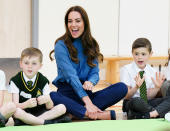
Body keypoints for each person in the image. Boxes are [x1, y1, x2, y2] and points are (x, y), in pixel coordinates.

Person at [49, 5, 127, 120]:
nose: (73, 25)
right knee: (52, 96)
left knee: (122, 87)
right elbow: (71, 76)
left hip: (87, 94)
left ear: (85, 23)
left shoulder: (92, 44)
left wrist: (91, 81)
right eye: (70, 21)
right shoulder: (60, 45)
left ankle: (75, 113)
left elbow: (95, 72)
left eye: (77, 21)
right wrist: (88, 103)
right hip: (68, 93)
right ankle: (91, 113)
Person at [8, 47, 70, 126]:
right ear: (21, 64)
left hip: (41, 112)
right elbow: (15, 105)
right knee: (16, 112)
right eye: (26, 63)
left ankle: (32, 121)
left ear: (40, 66)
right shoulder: (15, 81)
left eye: (34, 63)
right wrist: (25, 104)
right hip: (24, 112)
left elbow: (49, 107)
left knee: (62, 107)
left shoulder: (43, 80)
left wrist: (47, 100)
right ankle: (45, 123)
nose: (30, 66)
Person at [120, 38, 170, 119]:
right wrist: (136, 87)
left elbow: (149, 97)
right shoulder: (126, 69)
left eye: (143, 54)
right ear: (132, 53)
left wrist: (157, 88)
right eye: (136, 54)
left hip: (147, 103)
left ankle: (143, 115)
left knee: (166, 100)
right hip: (131, 102)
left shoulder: (153, 71)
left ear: (150, 54)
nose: (139, 57)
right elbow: (127, 96)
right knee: (137, 101)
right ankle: (158, 113)